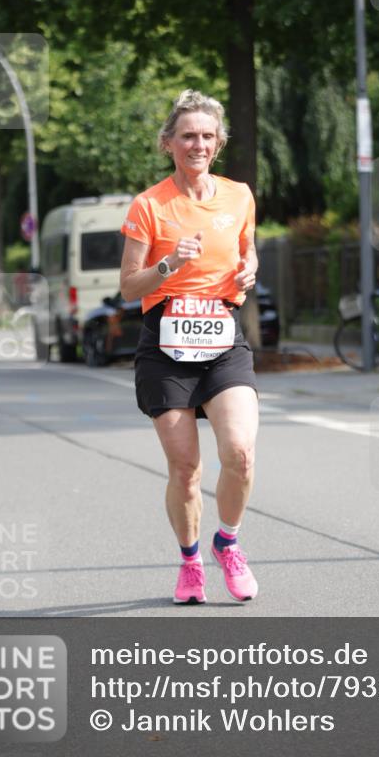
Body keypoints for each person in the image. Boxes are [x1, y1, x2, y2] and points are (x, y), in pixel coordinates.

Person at [120, 89, 259, 605]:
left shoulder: (239, 195)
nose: (197, 144)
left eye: (206, 136)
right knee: (186, 469)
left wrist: (251, 269)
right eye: (187, 136)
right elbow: (130, 286)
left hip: (223, 337)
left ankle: (228, 541)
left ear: (218, 143)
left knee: (240, 454)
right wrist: (168, 265)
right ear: (169, 144)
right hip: (165, 342)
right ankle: (190, 561)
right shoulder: (149, 206)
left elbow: (247, 253)